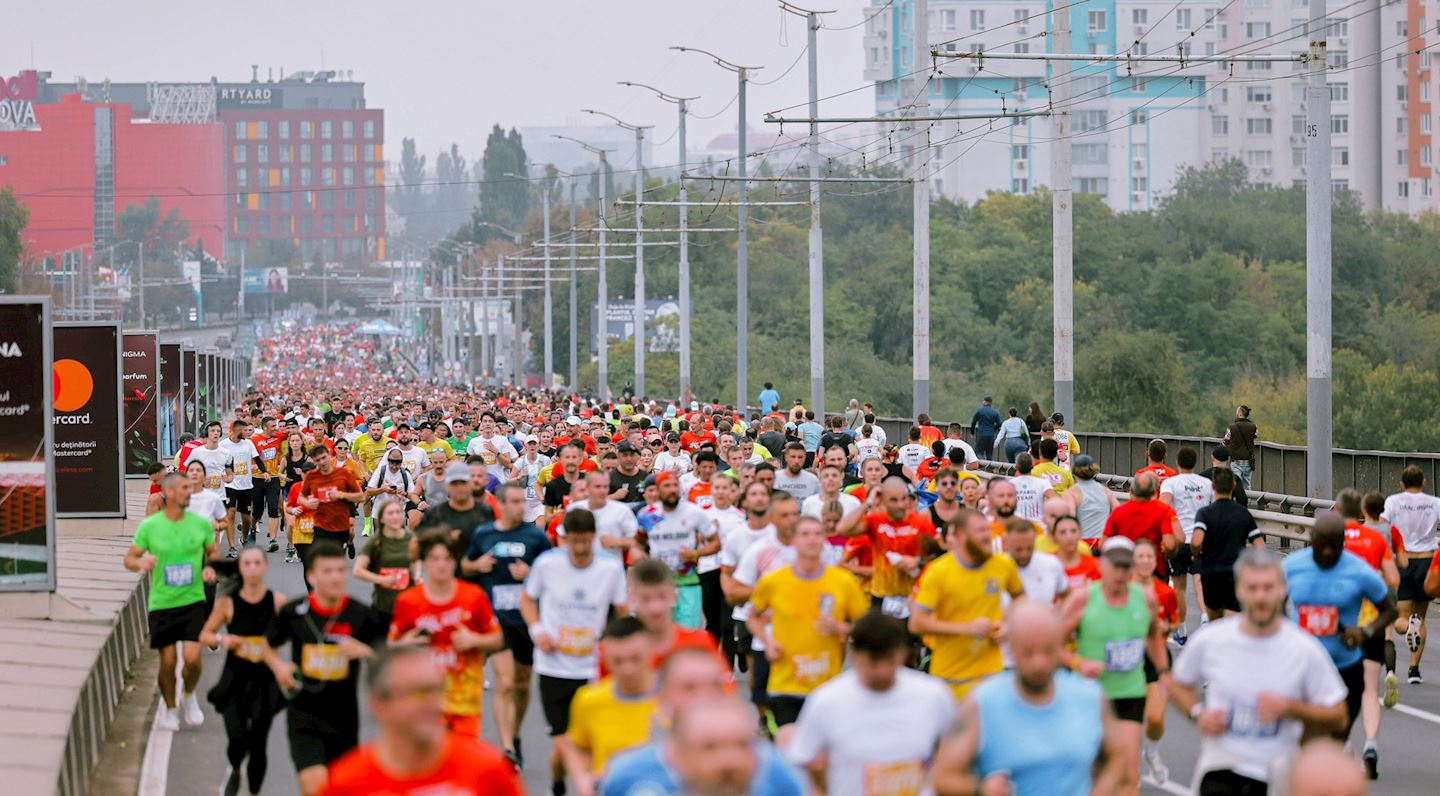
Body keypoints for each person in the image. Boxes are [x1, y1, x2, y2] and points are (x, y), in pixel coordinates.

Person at [1171, 547, 1349, 793]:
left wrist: (1291, 708)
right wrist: (1198, 714)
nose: (1260, 597)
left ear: (1283, 590)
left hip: (1275, 771)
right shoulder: (1213, 639)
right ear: (1239, 591)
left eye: (1268, 587)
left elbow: (1339, 714)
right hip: (1221, 766)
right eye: (1252, 588)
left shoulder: (1303, 648)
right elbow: (1177, 683)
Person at [931, 601, 1127, 796]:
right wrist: (981, 789)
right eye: (1028, 652)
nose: (1038, 663)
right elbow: (943, 779)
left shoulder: (1089, 697)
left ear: (1060, 645)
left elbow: (1118, 757)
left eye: (1048, 651)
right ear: (1011, 649)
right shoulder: (982, 703)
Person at [263, 542, 384, 796]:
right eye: (327, 571)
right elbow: (266, 645)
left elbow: (389, 663)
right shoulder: (294, 612)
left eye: (340, 570)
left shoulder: (361, 614)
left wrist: (366, 652)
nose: (335, 577)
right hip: (304, 717)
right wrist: (280, 667)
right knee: (315, 787)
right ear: (311, 575)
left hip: (344, 719)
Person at [521, 508, 629, 795]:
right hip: (553, 666)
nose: (580, 548)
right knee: (563, 746)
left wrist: (614, 644)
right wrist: (538, 632)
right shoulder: (547, 565)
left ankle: (585, 788)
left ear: (593, 538)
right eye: (575, 541)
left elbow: (622, 611)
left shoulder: (610, 568)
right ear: (565, 539)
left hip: (591, 668)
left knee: (590, 742)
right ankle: (559, 783)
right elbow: (527, 600)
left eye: (586, 541)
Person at [785, 612, 953, 793]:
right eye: (873, 663)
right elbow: (799, 762)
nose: (883, 671)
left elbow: (959, 752)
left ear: (903, 653)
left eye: (890, 660)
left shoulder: (933, 695)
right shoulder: (827, 701)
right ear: (855, 655)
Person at [323, 646, 522, 795]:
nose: (431, 703)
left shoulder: (487, 770)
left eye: (436, 689)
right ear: (378, 703)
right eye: (418, 693)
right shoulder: (346, 783)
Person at [1060, 536, 1169, 796]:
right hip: (1091, 697)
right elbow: (1052, 644)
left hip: (1130, 693)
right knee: (1096, 771)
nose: (1120, 573)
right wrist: (1078, 662)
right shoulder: (1082, 599)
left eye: (1125, 566)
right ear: (1101, 566)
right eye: (1115, 566)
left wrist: (1163, 672)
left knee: (1128, 772)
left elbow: (1154, 635)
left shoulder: (1146, 598)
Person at [1283, 513, 1398, 748]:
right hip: (1301, 669)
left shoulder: (1359, 571)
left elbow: (1390, 610)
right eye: (1321, 545)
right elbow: (1270, 606)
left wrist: (1364, 632)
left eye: (1334, 546)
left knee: (1336, 740)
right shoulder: (1290, 567)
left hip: (1345, 669)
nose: (1327, 552)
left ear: (1343, 542)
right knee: (1303, 740)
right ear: (1311, 538)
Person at [747, 516, 868, 734]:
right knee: (790, 752)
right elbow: (752, 616)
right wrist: (768, 643)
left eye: (817, 534)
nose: (812, 540)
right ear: (793, 541)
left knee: (821, 762)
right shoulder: (774, 581)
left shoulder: (843, 581)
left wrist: (841, 629)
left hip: (826, 688)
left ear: (824, 540)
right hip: (785, 685)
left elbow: (867, 626)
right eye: (805, 534)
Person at [462, 481, 551, 766]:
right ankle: (507, 747)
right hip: (495, 619)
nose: (518, 506)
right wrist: (476, 567)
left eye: (521, 501)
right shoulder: (484, 534)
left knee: (522, 684)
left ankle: (515, 735)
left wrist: (532, 572)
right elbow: (465, 565)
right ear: (499, 504)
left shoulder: (535, 536)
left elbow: (553, 571)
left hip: (525, 618)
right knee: (505, 680)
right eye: (512, 501)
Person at [125, 473, 218, 731]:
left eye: (191, 488)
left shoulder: (199, 524)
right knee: (168, 661)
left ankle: (188, 695)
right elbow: (129, 559)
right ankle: (171, 708)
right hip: (162, 602)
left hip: (192, 599)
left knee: (192, 659)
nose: (190, 493)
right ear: (170, 493)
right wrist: (141, 562)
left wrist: (210, 568)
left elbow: (212, 552)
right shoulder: (151, 526)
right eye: (185, 488)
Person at [389, 529, 504, 738]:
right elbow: (391, 646)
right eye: (434, 558)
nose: (441, 564)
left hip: (463, 704)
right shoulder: (408, 601)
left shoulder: (474, 596)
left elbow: (497, 639)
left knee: (461, 768)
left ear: (456, 561)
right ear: (423, 562)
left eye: (448, 558)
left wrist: (474, 639)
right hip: (423, 705)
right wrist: (406, 643)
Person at [910, 508, 1024, 699]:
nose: (988, 536)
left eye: (987, 529)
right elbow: (917, 623)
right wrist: (966, 628)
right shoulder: (938, 572)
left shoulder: (1003, 564)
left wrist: (1008, 625)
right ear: (961, 535)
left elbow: (1021, 598)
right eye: (980, 531)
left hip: (992, 674)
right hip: (950, 677)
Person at [200, 546, 286, 796]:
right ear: (240, 568)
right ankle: (236, 769)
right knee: (237, 739)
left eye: (257, 563)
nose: (252, 568)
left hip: (265, 681)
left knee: (259, 743)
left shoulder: (277, 601)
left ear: (265, 567)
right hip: (235, 679)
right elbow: (205, 634)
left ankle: (253, 793)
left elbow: (291, 633)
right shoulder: (227, 603)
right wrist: (222, 640)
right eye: (247, 563)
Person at [602, 696, 806, 795]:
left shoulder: (783, 782)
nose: (728, 760)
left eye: (741, 745)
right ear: (679, 756)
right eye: (710, 747)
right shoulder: (627, 779)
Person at [1332, 488, 1402, 779]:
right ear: (1360, 511)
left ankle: (1345, 745)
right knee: (1370, 690)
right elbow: (1393, 579)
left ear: (1337, 510)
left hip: (1339, 620)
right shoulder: (1374, 538)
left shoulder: (1330, 538)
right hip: (1370, 618)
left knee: (1338, 688)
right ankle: (1370, 745)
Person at [561, 616, 659, 796]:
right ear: (605, 658)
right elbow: (575, 745)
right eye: (618, 661)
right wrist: (583, 780)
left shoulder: (676, 697)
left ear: (651, 651)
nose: (627, 669)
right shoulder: (589, 699)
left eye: (635, 659)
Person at [837, 477, 938, 618]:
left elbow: (937, 554)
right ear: (883, 500)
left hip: (911, 595)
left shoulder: (920, 522)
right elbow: (842, 529)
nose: (900, 505)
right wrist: (868, 502)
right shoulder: (875, 521)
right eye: (894, 500)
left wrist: (917, 562)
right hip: (880, 596)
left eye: (904, 499)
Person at [635, 471, 715, 629]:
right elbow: (637, 541)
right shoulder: (647, 515)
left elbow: (716, 542)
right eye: (666, 486)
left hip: (688, 583)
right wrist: (638, 552)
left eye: (675, 486)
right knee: (659, 633)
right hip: (659, 584)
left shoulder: (694, 512)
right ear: (657, 490)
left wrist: (696, 554)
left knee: (688, 635)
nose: (672, 489)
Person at [1382, 464, 1440, 684]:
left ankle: (1406, 627)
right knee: (1420, 617)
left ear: (1401, 484)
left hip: (1403, 560)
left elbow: (1385, 527)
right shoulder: (1435, 503)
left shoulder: (1393, 501)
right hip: (1427, 560)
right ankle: (1414, 670)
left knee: (1401, 618)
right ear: (1424, 482)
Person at [1130, 538, 1177, 784]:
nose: (1146, 561)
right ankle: (1132, 763)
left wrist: (1165, 625)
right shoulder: (1124, 589)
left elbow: (1175, 621)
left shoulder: (1164, 591)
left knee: (1156, 718)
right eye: (1140, 557)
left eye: (1149, 556)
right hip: (1129, 656)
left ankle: (1151, 751)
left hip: (1157, 655)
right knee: (1134, 717)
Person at [1192, 468, 1263, 620]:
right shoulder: (1243, 514)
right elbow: (1260, 546)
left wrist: (1196, 554)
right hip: (1236, 574)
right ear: (1234, 486)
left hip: (1211, 573)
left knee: (1215, 621)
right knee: (1233, 619)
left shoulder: (1205, 513)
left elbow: (1197, 541)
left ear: (1213, 487)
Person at [1159, 445, 1214, 639]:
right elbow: (1213, 508)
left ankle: (1181, 629)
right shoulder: (1206, 483)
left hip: (1179, 541)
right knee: (1201, 583)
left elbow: (1163, 506)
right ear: (1195, 463)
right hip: (1201, 540)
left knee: (1179, 587)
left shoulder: (1170, 483)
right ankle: (1206, 618)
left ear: (1177, 463)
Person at [350, 499, 414, 629]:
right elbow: (358, 570)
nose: (395, 517)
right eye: (390, 513)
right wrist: (381, 579)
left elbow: (420, 561)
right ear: (382, 519)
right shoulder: (376, 541)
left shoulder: (412, 539)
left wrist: (417, 576)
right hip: (383, 605)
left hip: (409, 603)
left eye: (398, 512)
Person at [298, 445, 364, 561]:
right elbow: (301, 497)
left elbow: (360, 496)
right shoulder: (311, 476)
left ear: (329, 455)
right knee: (321, 559)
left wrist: (341, 495)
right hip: (320, 524)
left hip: (340, 525)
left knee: (335, 560)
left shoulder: (344, 474)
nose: (322, 462)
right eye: (317, 460)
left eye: (324, 458)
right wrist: (308, 503)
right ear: (313, 462)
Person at [1009, 453, 1056, 523]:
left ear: (1016, 467)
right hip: (1038, 526)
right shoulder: (1043, 483)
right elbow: (1055, 500)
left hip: (1016, 526)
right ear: (1033, 466)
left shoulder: (1009, 484)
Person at [1224, 404, 1258, 493]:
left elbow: (1226, 441)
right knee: (1247, 483)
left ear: (1239, 413)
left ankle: (1237, 502)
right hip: (1248, 459)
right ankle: (1247, 502)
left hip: (1235, 460)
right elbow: (1255, 436)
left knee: (1236, 482)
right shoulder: (1254, 426)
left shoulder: (1232, 427)